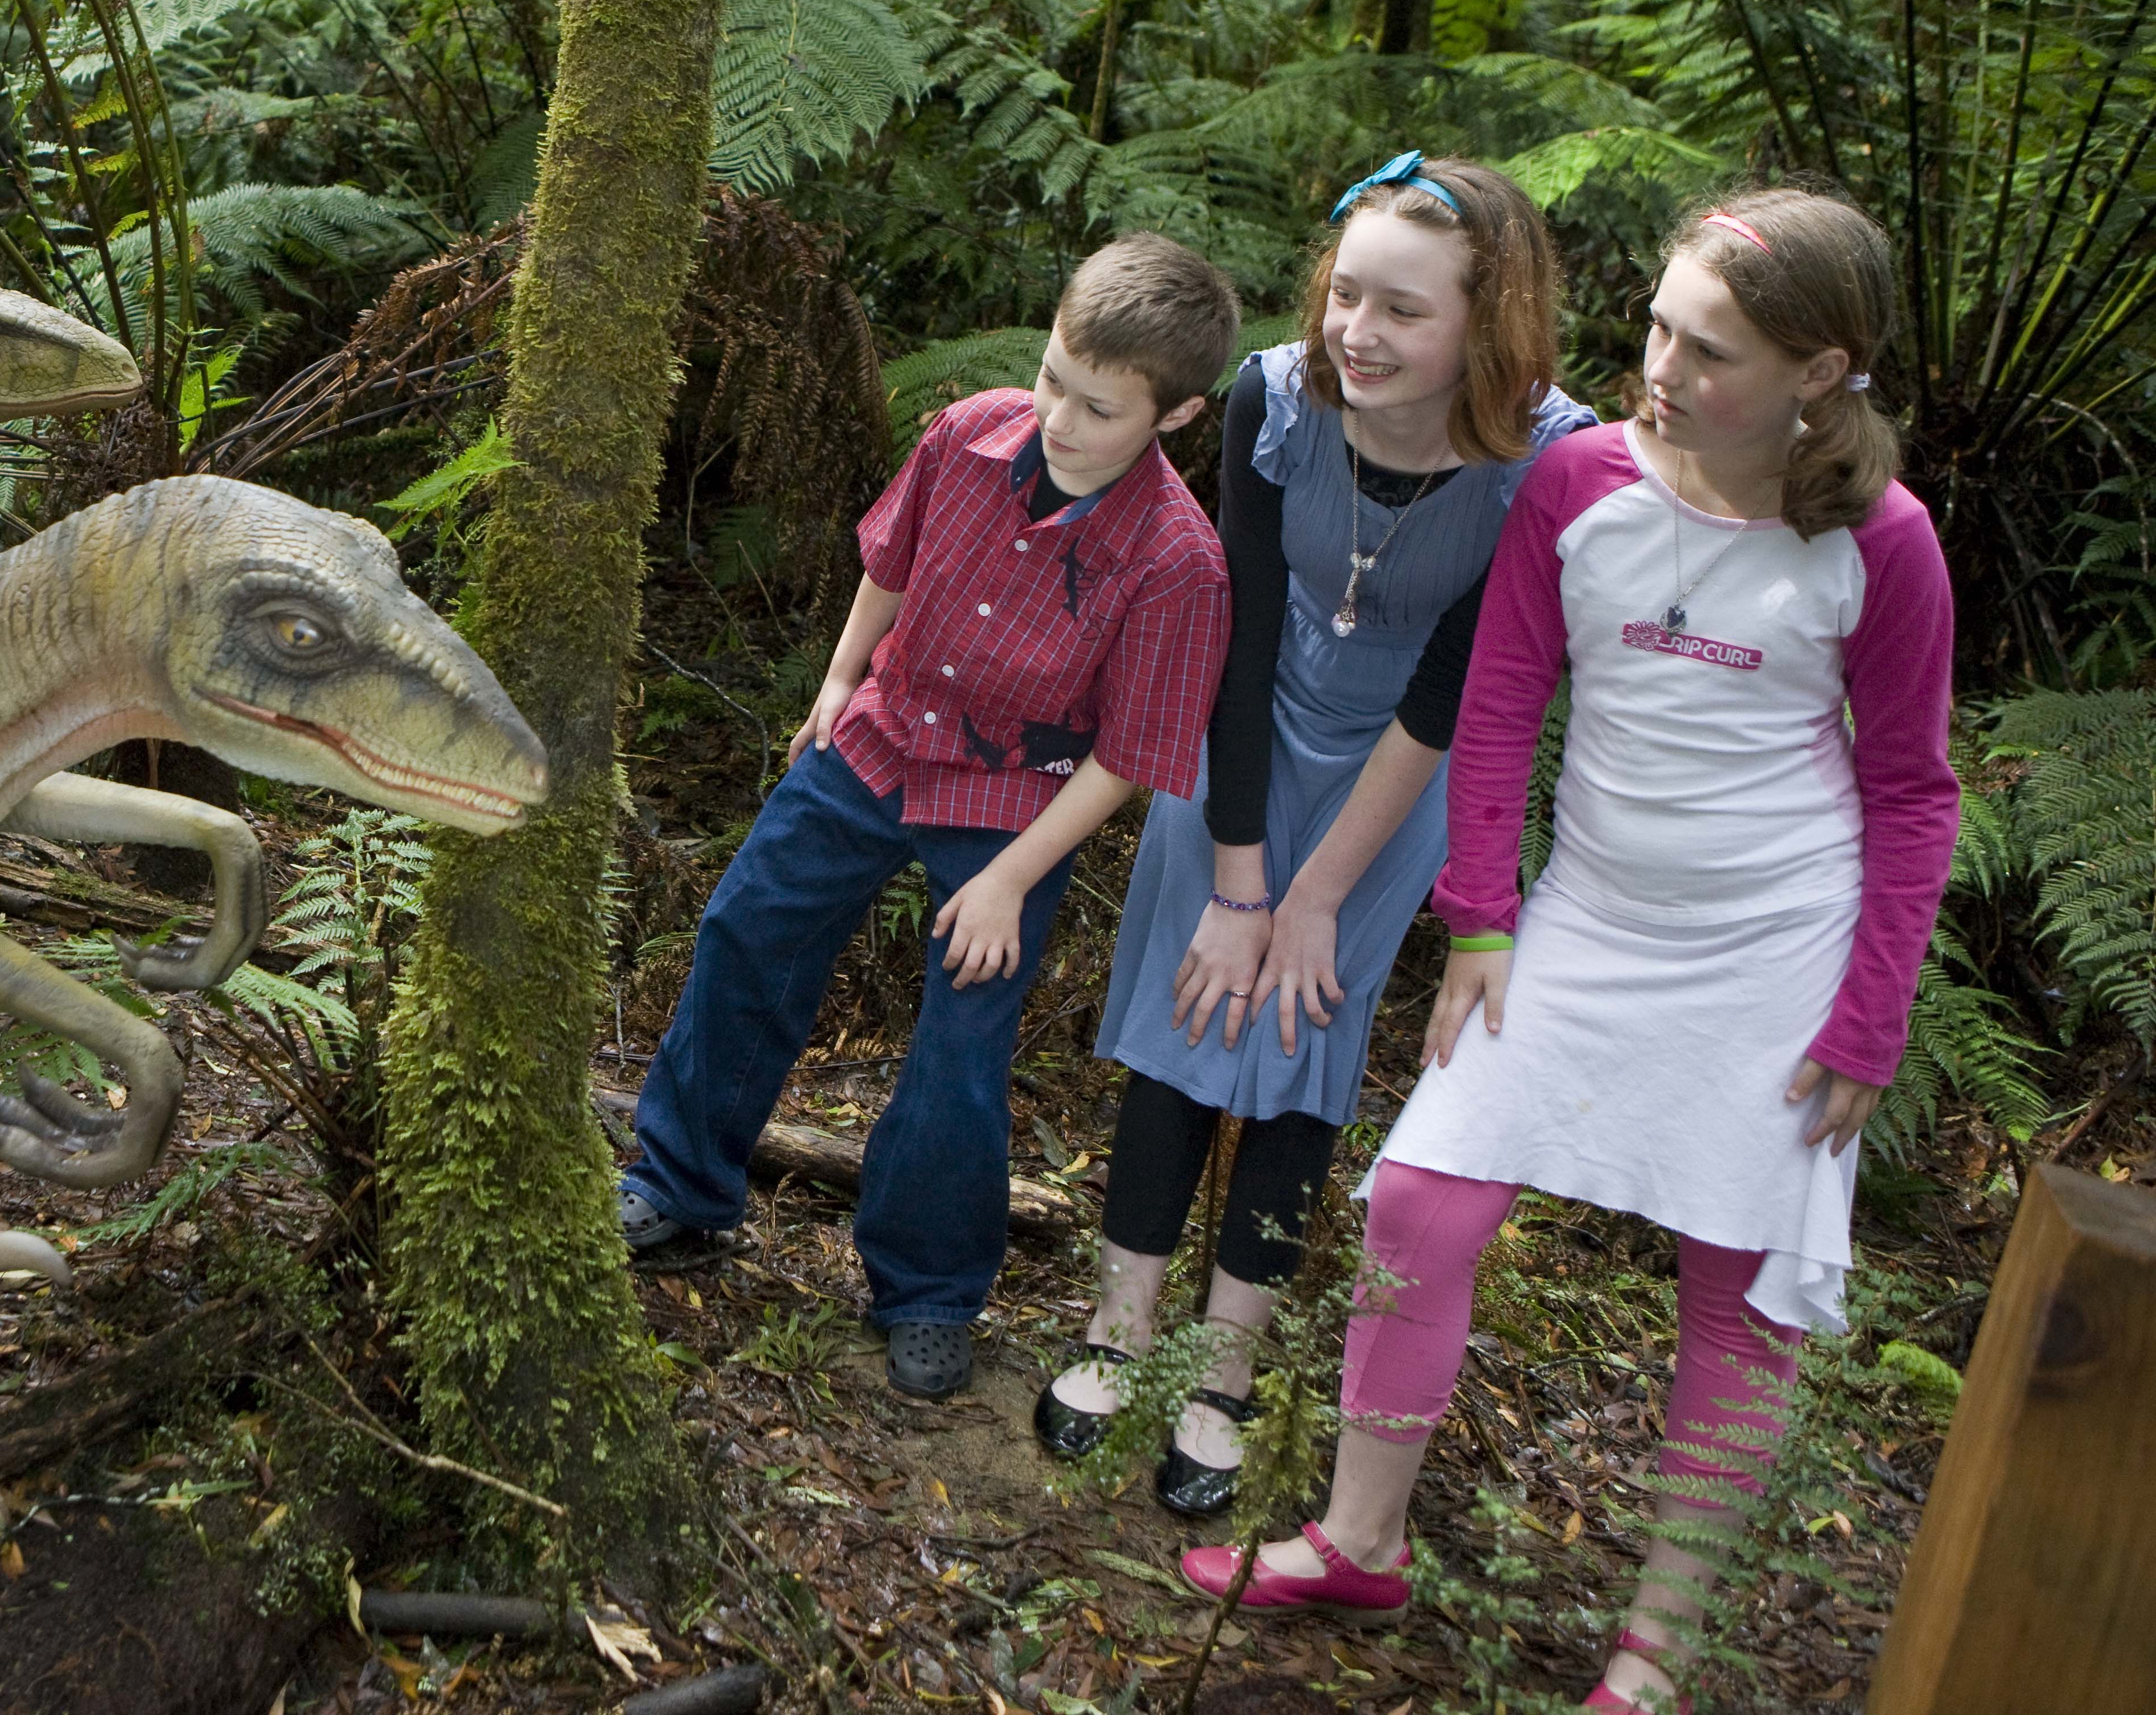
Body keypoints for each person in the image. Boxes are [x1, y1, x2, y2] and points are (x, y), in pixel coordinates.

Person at [1179, 190, 1958, 1715]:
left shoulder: (1883, 541)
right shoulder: (1582, 480)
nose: (1662, 367)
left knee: (1737, 1289)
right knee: (1418, 1198)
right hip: (1588, 921)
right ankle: (1359, 1535)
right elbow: (1502, 706)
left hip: (1777, 950)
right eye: (1660, 325)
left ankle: (1655, 1658)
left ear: (1821, 372)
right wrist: (1483, 916)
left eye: (1712, 349)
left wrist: (1870, 1021)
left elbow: (1914, 790)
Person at [1041, 153, 1594, 1518]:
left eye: (1406, 311)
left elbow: (1453, 686)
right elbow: (1231, 631)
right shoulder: (1272, 399)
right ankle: (1121, 1329)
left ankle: (1225, 1366)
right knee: (1187, 1013)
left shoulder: (1551, 461)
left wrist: (1314, 898)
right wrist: (1241, 877)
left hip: (1399, 771)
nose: (1360, 332)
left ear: (1491, 323)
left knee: (1300, 1027)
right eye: (1349, 294)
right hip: (1243, 730)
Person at [619, 234, 1240, 1400]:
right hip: (883, 733)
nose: (1059, 418)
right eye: (1056, 378)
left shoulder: (1176, 562)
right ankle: (681, 1181)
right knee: (751, 928)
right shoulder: (969, 432)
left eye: (1100, 409)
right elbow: (890, 562)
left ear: (1179, 415)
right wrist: (842, 681)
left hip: (1017, 805)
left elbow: (1129, 759)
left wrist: (1008, 879)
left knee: (962, 1046)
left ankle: (929, 1288)